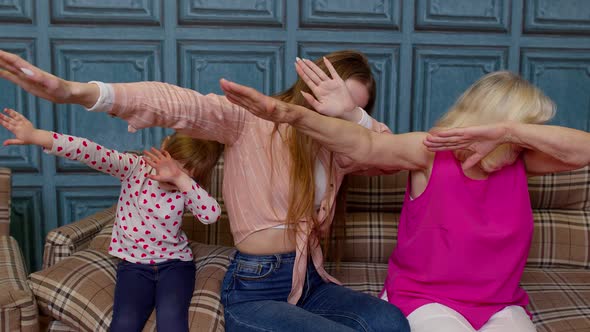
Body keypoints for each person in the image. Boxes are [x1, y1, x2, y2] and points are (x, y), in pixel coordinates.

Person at [0, 50, 409, 332]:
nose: (333, 112)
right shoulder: (256, 121)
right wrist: (77, 92)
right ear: (309, 85)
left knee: (391, 322)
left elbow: (391, 156)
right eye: (330, 99)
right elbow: (181, 104)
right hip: (257, 287)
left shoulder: (342, 149)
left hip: (312, 283)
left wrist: (352, 118)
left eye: (351, 108)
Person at [219, 70, 584, 331]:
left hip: (500, 305)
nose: (527, 141)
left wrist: (511, 131)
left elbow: (583, 151)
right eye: (524, 129)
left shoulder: (522, 160)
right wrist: (291, 115)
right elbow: (368, 146)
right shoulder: (431, 151)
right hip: (427, 299)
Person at [0, 107, 222, 331]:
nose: (169, 176)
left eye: (182, 175)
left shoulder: (188, 190)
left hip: (175, 266)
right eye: (170, 165)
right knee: (124, 324)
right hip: (134, 268)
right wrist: (36, 135)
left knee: (172, 322)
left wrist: (181, 179)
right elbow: (89, 151)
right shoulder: (134, 168)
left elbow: (211, 214)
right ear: (164, 147)